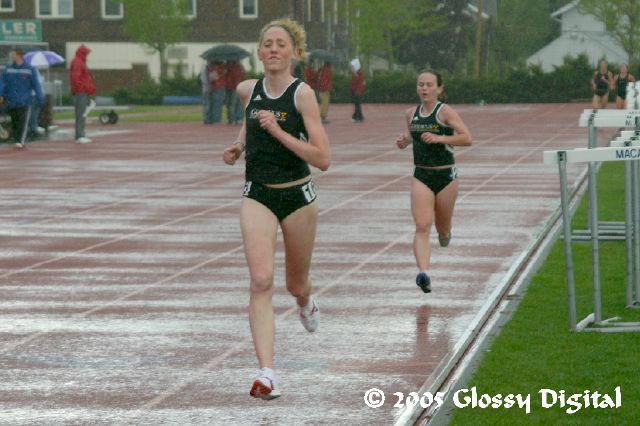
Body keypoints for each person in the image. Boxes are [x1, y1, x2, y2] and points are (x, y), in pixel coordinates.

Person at [222, 17, 330, 400]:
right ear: (259, 51)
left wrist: (279, 131)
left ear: (294, 53)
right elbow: (250, 121)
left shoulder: (303, 96)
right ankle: (267, 374)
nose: (273, 49)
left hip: (297, 196)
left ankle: (305, 300)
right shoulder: (246, 90)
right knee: (260, 279)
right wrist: (239, 146)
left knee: (295, 283)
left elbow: (323, 158)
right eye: (267, 43)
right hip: (258, 194)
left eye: (281, 44)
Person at [395, 70, 472, 294]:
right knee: (422, 226)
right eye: (421, 84)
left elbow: (467, 138)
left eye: (429, 84)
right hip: (422, 175)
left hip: (445, 176)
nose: (424, 88)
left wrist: (440, 138)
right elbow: (411, 137)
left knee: (442, 229)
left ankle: (445, 233)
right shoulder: (410, 114)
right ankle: (423, 273)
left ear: (439, 88)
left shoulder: (445, 112)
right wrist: (404, 141)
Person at [0, 47, 44, 148]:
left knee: (22, 122)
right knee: (14, 121)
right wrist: (1, 94)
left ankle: (20, 140)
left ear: (19, 55)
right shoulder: (8, 69)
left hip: (24, 101)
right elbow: (2, 83)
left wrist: (40, 97)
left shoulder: (29, 69)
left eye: (13, 54)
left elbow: (36, 84)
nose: (12, 56)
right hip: (11, 100)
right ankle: (16, 139)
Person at [69, 44, 96, 144]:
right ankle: (80, 135)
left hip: (81, 91)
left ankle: (80, 134)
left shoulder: (79, 62)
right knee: (81, 114)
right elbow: (76, 78)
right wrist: (83, 88)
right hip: (80, 92)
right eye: (86, 53)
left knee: (82, 114)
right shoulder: (78, 62)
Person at [225, 60, 246, 124]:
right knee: (238, 104)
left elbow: (229, 79)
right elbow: (243, 77)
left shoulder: (230, 69)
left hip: (233, 88)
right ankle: (238, 118)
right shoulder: (240, 68)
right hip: (239, 87)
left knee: (232, 104)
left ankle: (232, 119)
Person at [349, 58, 365, 122]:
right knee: (357, 105)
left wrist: (358, 91)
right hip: (355, 91)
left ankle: (357, 117)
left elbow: (360, 84)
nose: (352, 68)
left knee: (357, 105)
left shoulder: (359, 74)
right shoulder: (356, 73)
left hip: (357, 91)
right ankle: (359, 116)